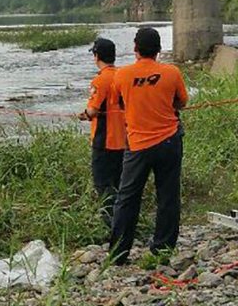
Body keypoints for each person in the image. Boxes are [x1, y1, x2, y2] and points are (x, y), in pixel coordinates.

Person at [109, 27, 188, 265]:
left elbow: (117, 101)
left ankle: (119, 254)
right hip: (169, 141)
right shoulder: (172, 72)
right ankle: (162, 250)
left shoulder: (122, 75)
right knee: (168, 196)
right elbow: (182, 101)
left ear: (135, 49)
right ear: (159, 49)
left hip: (138, 145)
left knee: (127, 197)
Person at [77, 37, 126, 228]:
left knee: (104, 185)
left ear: (96, 56)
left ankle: (110, 226)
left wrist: (84, 115)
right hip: (125, 141)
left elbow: (93, 110)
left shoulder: (100, 79)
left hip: (104, 141)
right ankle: (125, 222)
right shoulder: (124, 75)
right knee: (121, 185)